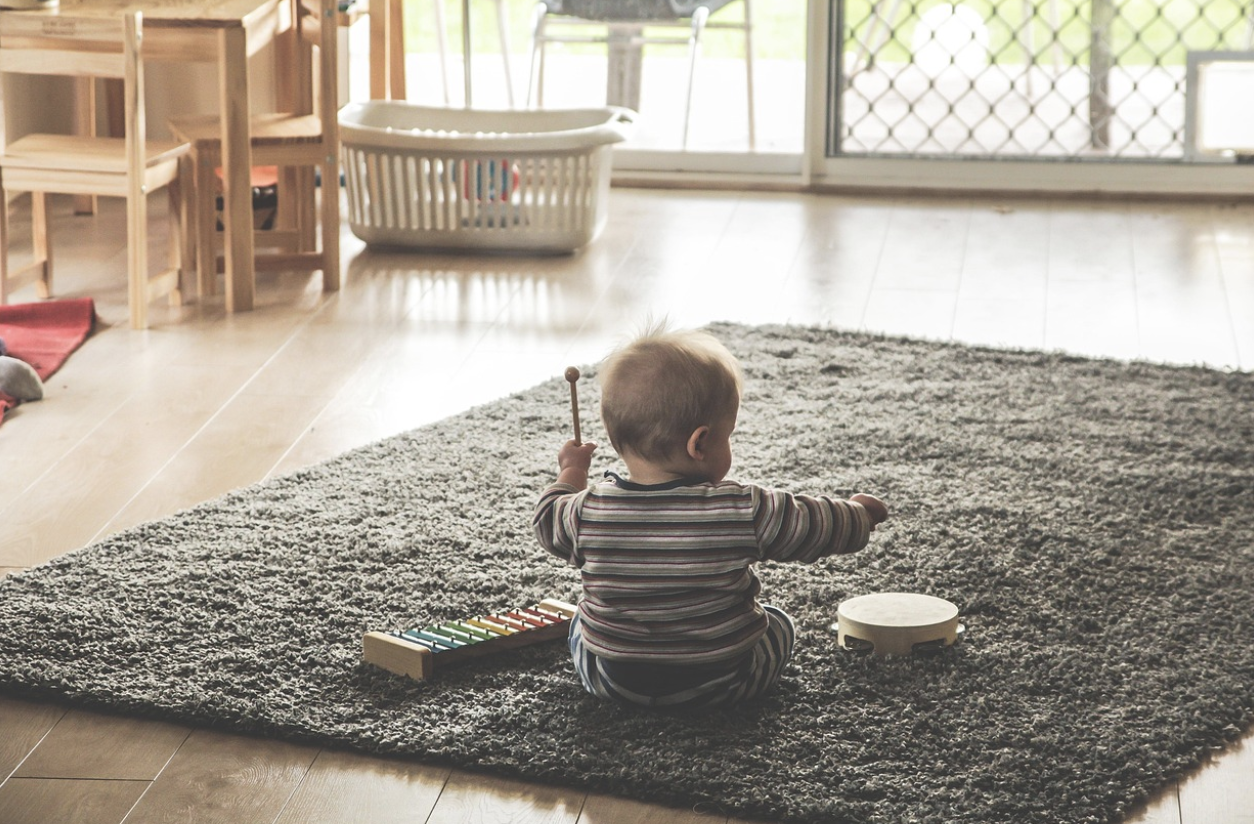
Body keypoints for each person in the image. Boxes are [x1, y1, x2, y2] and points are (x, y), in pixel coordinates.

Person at [533, 323, 889, 709]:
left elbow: (547, 518)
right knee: (779, 623)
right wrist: (860, 516)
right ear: (700, 443)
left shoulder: (585, 512)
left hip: (615, 682)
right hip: (723, 683)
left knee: (580, 623)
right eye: (728, 435)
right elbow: (812, 523)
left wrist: (572, 470)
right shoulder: (741, 509)